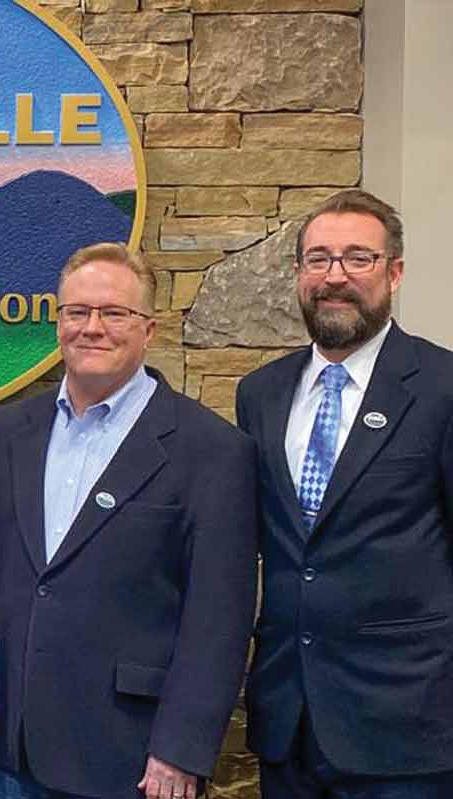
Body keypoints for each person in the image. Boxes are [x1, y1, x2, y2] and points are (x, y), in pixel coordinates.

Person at [0, 243, 258, 799]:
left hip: (133, 757)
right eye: (77, 312)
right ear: (58, 321)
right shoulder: (8, 433)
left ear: (149, 329)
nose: (93, 328)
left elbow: (219, 619)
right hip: (18, 750)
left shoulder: (210, 450)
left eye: (115, 313)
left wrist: (182, 748)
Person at [236, 189, 453, 799]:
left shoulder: (440, 387)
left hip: (408, 729)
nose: (336, 277)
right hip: (289, 722)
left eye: (358, 258)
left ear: (396, 272)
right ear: (300, 273)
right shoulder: (260, 393)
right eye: (319, 259)